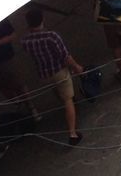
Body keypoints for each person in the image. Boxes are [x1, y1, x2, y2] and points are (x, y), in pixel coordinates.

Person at [21, 8, 84, 145]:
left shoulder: (26, 41)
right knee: (68, 99)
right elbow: (65, 56)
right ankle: (72, 133)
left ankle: (68, 112)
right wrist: (77, 67)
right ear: (42, 19)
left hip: (44, 74)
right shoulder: (51, 36)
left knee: (59, 94)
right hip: (59, 71)